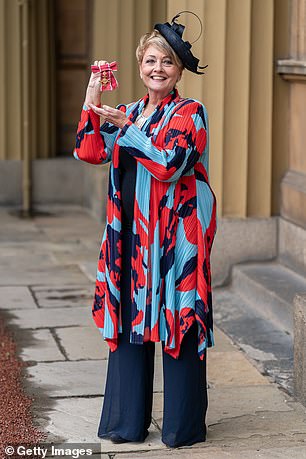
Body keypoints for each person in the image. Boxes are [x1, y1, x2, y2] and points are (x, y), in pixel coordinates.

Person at [73, 12, 216, 448]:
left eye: (167, 62)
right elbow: (89, 151)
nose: (158, 69)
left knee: (178, 326)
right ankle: (125, 423)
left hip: (175, 242)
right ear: (140, 64)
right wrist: (93, 96)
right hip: (130, 239)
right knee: (129, 327)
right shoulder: (129, 111)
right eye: (151, 60)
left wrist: (127, 130)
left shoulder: (191, 113)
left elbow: (170, 166)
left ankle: (182, 428)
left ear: (178, 71)